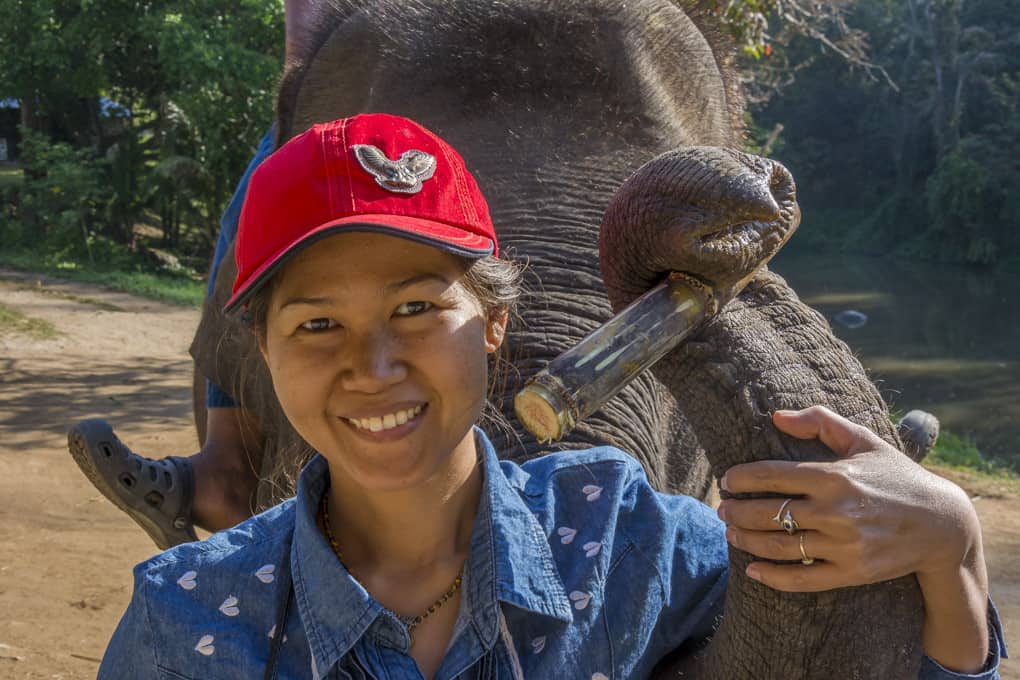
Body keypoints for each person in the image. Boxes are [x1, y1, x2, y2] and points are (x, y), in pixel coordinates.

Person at [98, 113, 1005, 679]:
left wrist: (952, 549)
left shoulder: (625, 543)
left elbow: (856, 655)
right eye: (317, 325)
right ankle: (222, 465)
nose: (374, 367)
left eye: (418, 308)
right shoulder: (186, 620)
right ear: (258, 347)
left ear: (493, 322)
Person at [66, 0, 318, 548]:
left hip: (508, 77)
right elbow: (304, 41)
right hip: (344, 83)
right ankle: (226, 469)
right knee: (251, 204)